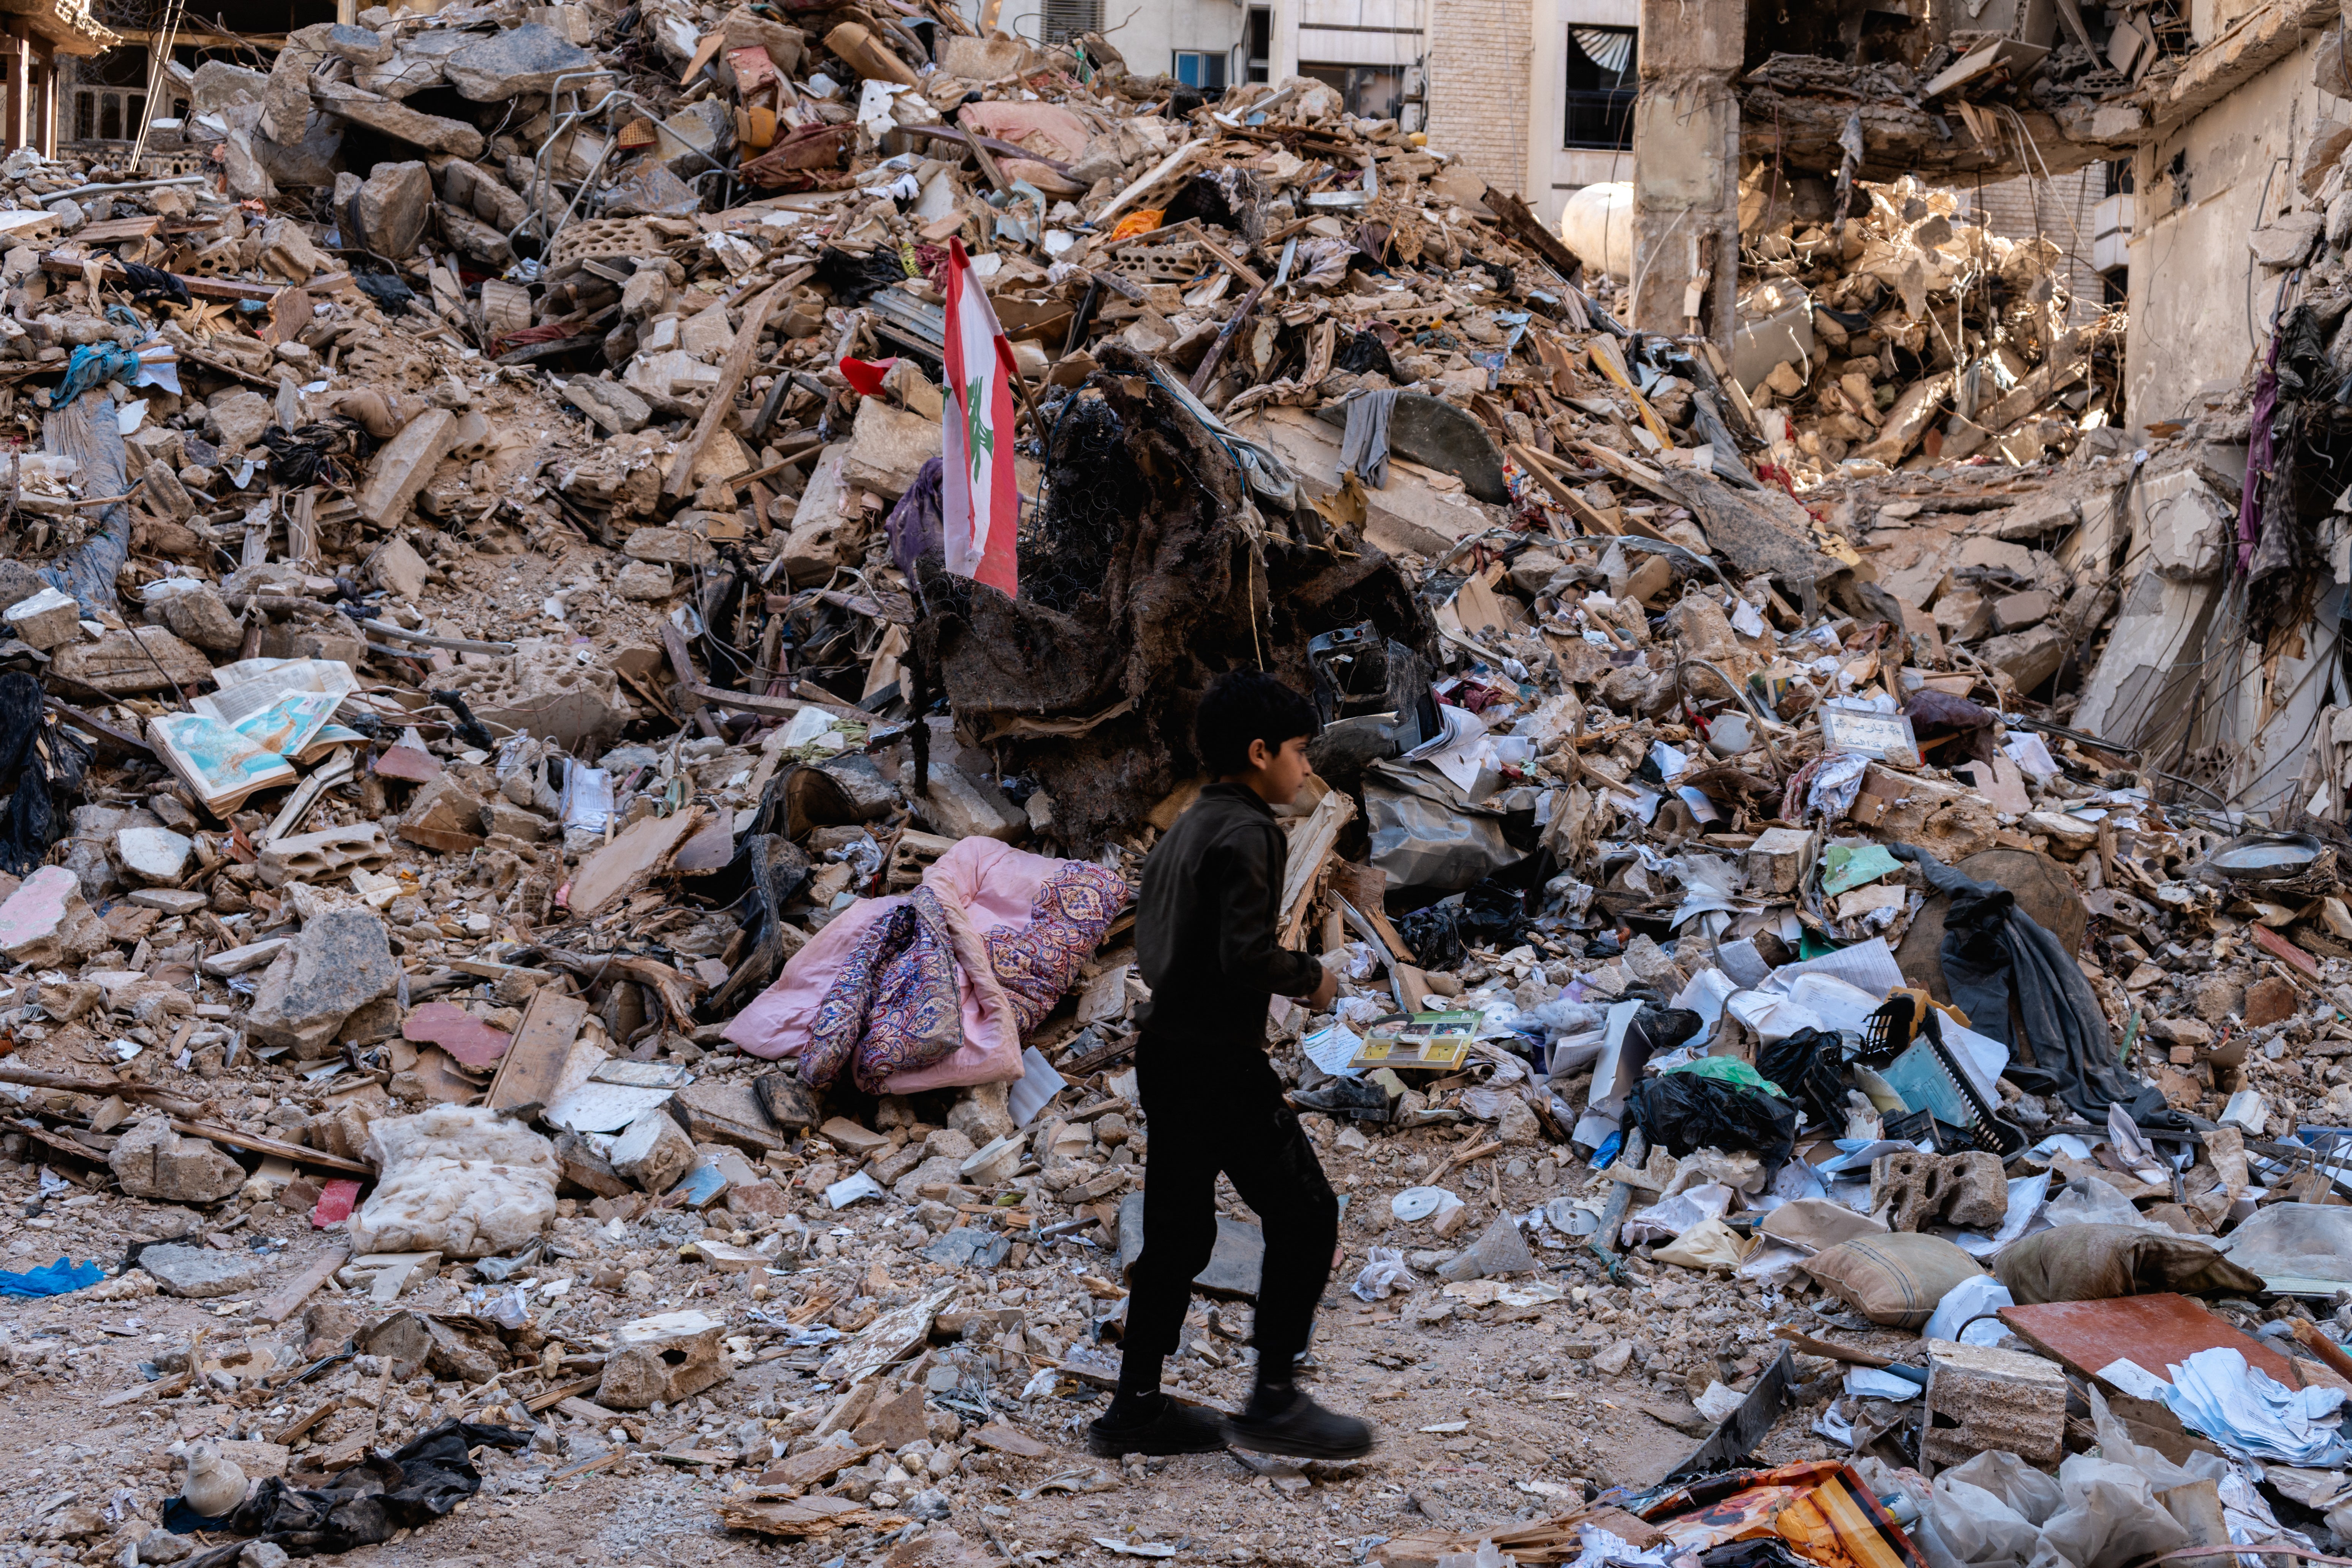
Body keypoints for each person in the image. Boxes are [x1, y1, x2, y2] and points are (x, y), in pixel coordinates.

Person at [1086, 670, 1377, 1461]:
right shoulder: (1250, 833)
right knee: (1308, 1214)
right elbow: (1246, 954)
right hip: (1216, 1059)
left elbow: (1165, 948)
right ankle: (1274, 1399)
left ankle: (1135, 1407)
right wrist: (1314, 979)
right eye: (1298, 751)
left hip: (1167, 1052)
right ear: (1259, 753)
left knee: (1179, 1235)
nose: (1306, 770)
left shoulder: (1187, 827)